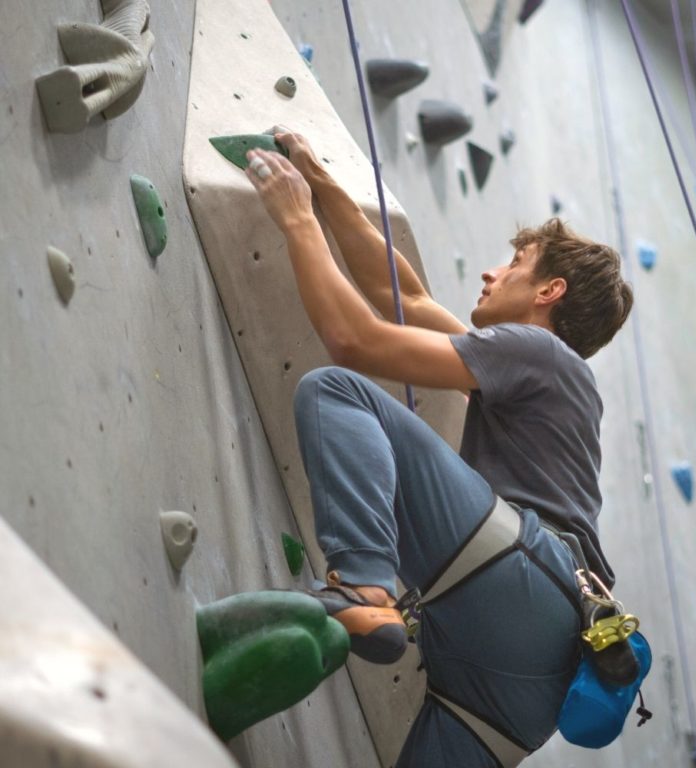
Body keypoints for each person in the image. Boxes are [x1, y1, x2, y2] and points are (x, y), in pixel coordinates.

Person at [243, 130, 633, 767]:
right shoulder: (545, 373)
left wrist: (296, 218)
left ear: (549, 291)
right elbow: (408, 298)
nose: (491, 270)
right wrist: (324, 184)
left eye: (514, 262)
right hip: (537, 680)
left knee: (338, 390)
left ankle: (366, 587)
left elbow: (354, 341)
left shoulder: (535, 352)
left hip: (520, 578)